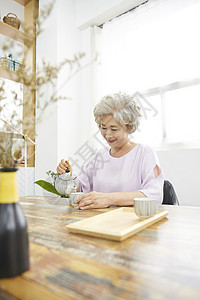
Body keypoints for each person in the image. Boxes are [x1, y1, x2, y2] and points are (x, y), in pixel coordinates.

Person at [57, 92, 164, 210]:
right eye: (103, 128)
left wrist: (109, 199)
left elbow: (155, 194)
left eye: (114, 129)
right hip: (100, 221)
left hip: (131, 222)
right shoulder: (99, 156)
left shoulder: (144, 154)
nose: (108, 135)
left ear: (129, 127)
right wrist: (67, 175)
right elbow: (79, 189)